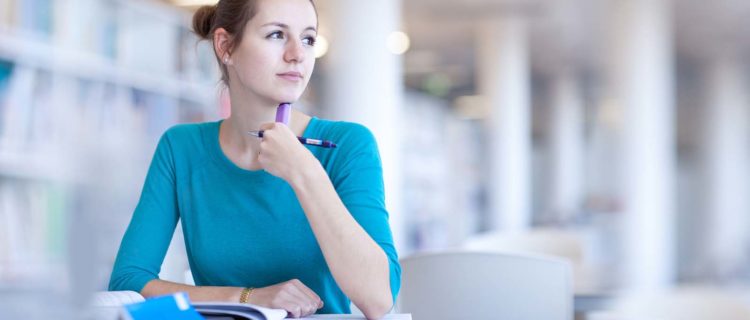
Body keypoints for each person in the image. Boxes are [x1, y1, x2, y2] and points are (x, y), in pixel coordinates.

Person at [108, 0, 401, 318]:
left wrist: (304, 173)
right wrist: (248, 297)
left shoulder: (347, 145)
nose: (297, 55)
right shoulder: (181, 148)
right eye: (277, 35)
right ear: (225, 46)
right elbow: (128, 282)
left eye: (308, 39)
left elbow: (379, 298)